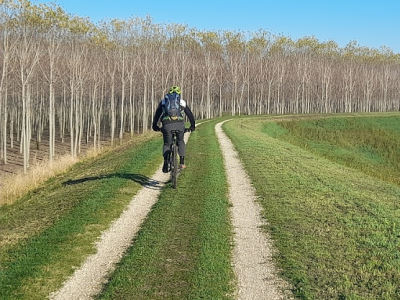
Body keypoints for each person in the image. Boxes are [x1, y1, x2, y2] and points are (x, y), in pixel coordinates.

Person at [152, 86, 195, 173]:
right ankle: (182, 162)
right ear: (179, 94)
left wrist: (155, 126)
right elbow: (190, 115)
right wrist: (192, 126)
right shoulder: (182, 102)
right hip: (179, 125)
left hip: (167, 124)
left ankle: (165, 162)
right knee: (180, 141)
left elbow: (157, 115)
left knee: (167, 144)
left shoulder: (163, 102)